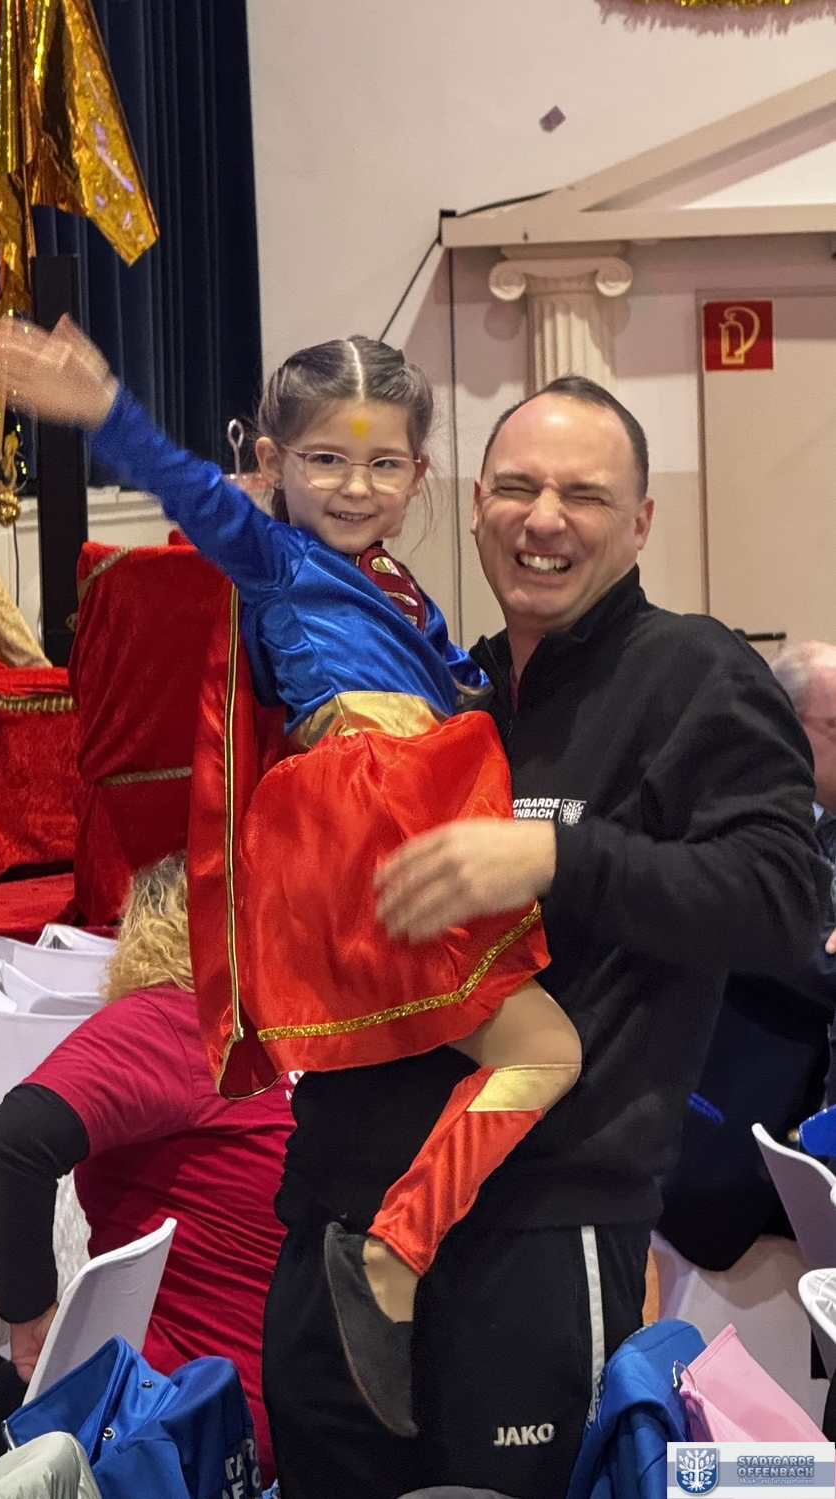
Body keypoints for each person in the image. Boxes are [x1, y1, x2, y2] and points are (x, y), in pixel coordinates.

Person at [0, 316, 581, 1436]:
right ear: (270, 461)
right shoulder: (274, 554)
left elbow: (447, 677)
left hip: (425, 805)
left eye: (382, 463)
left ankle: (400, 1250)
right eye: (324, 459)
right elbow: (190, 491)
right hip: (376, 828)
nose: (355, 486)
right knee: (544, 1051)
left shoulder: (392, 581)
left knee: (529, 1049)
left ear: (419, 473)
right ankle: (394, 1250)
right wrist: (107, 412)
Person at [260, 377, 828, 1499]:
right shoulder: (444, 687)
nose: (545, 517)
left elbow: (782, 896)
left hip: (534, 1238)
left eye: (584, 494)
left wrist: (560, 856)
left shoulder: (692, 674)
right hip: (331, 1220)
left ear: (641, 520)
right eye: (517, 487)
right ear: (475, 506)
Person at [0, 854, 292, 1485]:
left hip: (170, 1422)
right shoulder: (291, 1041)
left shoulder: (179, 1024)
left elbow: (14, 1141)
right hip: (268, 1415)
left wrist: (29, 1318)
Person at [659, 640, 836, 1269]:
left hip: (803, 1151)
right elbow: (768, 939)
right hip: (713, 1142)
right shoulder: (723, 810)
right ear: (788, 721)